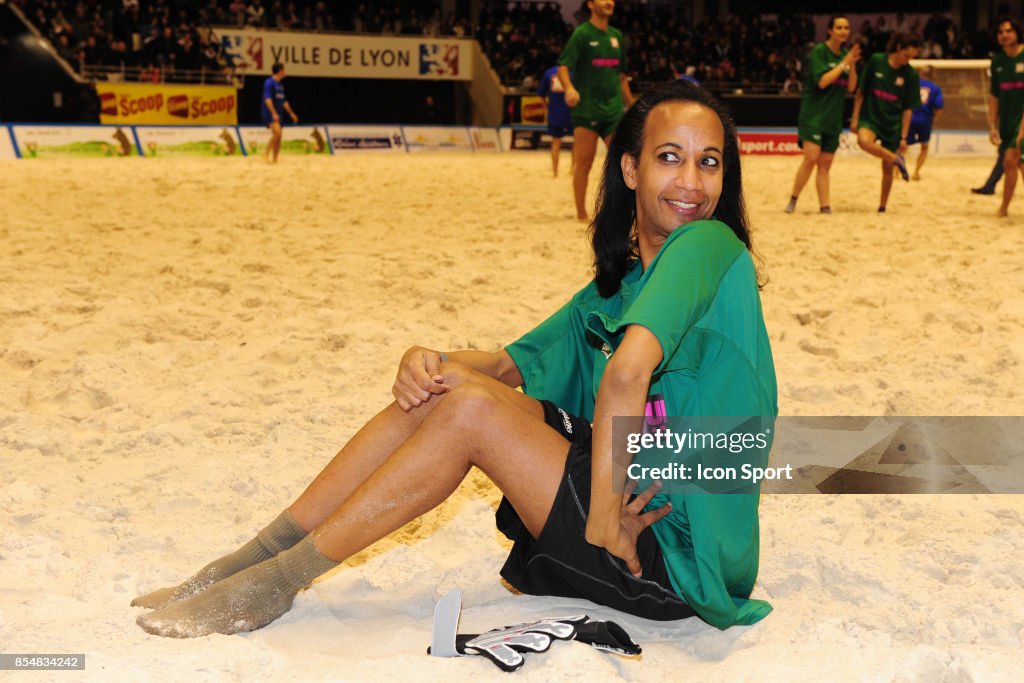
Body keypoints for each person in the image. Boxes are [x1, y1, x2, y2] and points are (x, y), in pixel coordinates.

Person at [131, 81, 778, 639]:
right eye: (671, 158)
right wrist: (428, 359)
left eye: (710, 162)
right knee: (450, 387)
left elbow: (627, 373)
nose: (692, 182)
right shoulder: (620, 283)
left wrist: (606, 516)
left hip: (669, 555)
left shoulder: (706, 243)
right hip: (638, 508)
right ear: (631, 168)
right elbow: (502, 367)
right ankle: (255, 558)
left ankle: (275, 581)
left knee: (467, 409)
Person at [557, 0, 634, 221]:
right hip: (587, 110)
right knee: (584, 163)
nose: (609, 2)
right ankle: (581, 213)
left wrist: (633, 106)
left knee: (621, 162)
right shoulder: (581, 34)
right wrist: (569, 88)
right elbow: (563, 68)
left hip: (613, 111)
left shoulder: (616, 36)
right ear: (591, 4)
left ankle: (618, 211)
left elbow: (621, 77)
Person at [784, 15, 861, 215]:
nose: (843, 31)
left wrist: (851, 64)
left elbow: (852, 87)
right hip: (813, 116)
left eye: (846, 27)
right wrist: (844, 63)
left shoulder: (846, 55)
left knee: (825, 165)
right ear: (830, 31)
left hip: (833, 119)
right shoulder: (819, 52)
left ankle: (825, 206)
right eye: (839, 27)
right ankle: (793, 199)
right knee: (811, 158)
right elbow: (823, 82)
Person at [850, 33, 922, 212]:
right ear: (898, 48)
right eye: (906, 56)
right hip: (871, 117)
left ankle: (882, 206)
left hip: (893, 125)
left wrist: (904, 137)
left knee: (887, 169)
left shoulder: (911, 75)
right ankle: (896, 159)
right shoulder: (876, 61)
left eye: (912, 57)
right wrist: (855, 118)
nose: (908, 61)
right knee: (864, 141)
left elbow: (908, 109)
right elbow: (861, 91)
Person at [988, 18, 1024, 217]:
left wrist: (1022, 130)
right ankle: (1004, 208)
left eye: (1009, 31)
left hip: (1022, 122)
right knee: (1011, 163)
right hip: (1008, 123)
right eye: (1001, 32)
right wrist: (993, 125)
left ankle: (1003, 208)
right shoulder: (998, 62)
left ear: (1017, 33)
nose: (1004, 35)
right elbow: (994, 96)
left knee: (1013, 160)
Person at [907, 65, 944, 180]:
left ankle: (896, 172)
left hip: (910, 118)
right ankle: (916, 172)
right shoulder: (936, 88)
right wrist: (934, 121)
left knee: (901, 146)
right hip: (925, 120)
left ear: (921, 74)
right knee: (924, 147)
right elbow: (940, 108)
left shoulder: (912, 85)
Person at [538, 64, 573, 177]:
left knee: (555, 143)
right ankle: (573, 171)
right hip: (572, 113)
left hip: (555, 113)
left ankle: (555, 172)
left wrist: (547, 107)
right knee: (577, 144)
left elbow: (540, 94)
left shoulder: (549, 73)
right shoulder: (573, 73)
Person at [261, 62, 298, 164]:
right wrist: (273, 113)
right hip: (270, 112)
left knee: (279, 136)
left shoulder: (280, 85)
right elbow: (267, 99)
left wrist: (291, 113)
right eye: (284, 69)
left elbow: (284, 101)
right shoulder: (269, 82)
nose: (285, 71)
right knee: (277, 132)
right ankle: (266, 152)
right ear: (280, 70)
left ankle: (275, 159)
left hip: (279, 112)